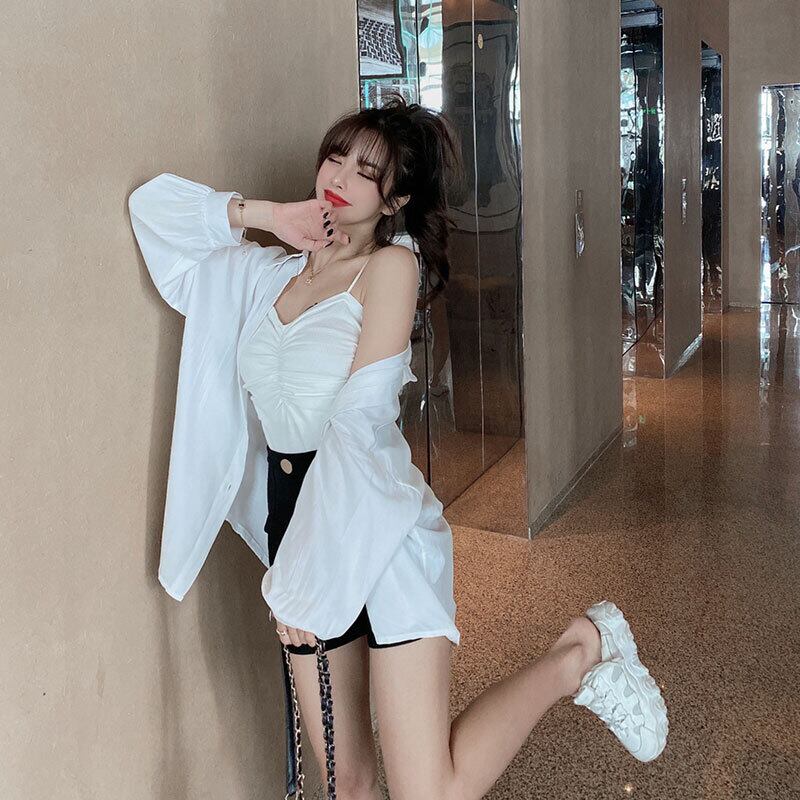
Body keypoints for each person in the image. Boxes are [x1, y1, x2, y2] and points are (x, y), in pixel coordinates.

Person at [129, 93, 668, 800]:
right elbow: (152, 213)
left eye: (367, 171)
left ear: (395, 200)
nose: (340, 176)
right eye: (336, 157)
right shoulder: (262, 275)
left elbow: (356, 421)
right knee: (348, 783)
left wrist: (304, 581)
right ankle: (579, 653)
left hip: (375, 524)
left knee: (427, 792)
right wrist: (268, 216)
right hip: (295, 520)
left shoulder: (390, 268)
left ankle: (578, 653)